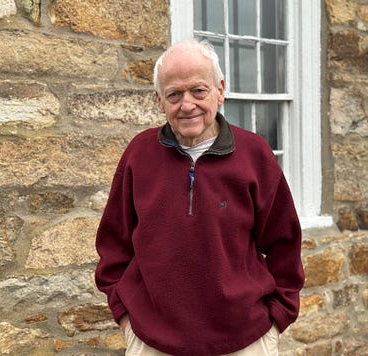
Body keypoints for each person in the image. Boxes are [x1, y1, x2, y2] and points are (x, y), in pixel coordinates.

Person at [95, 39, 304, 356]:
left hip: (246, 342)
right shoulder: (139, 155)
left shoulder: (255, 155)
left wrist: (277, 319)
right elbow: (114, 243)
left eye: (198, 91)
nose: (187, 104)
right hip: (153, 343)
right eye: (174, 94)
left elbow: (284, 244)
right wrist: (125, 317)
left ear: (220, 90)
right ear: (159, 101)